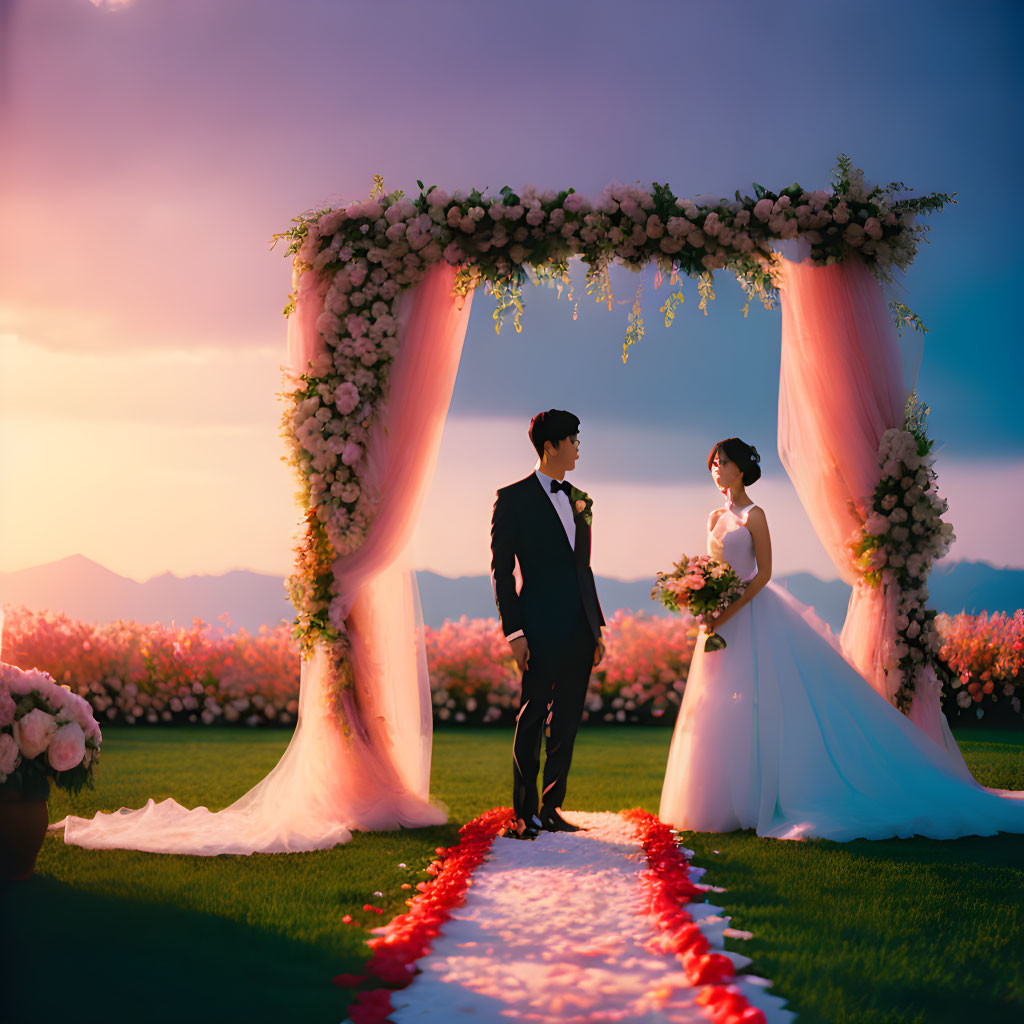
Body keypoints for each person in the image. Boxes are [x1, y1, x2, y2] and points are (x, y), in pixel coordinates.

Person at [659, 437, 1024, 841]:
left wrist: (729, 609)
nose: (716, 469)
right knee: (720, 702)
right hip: (720, 620)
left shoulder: (754, 516)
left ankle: (764, 797)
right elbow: (711, 568)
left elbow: (762, 574)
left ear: (740, 469)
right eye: (712, 462)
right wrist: (705, 601)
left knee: (767, 700)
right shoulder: (713, 517)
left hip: (751, 613)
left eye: (722, 462)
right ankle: (725, 801)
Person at [490, 410, 605, 839]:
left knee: (569, 719)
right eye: (572, 439)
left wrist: (595, 628)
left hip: (579, 626)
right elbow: (502, 572)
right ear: (550, 446)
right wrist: (514, 631)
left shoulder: (583, 500)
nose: (578, 446)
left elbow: (583, 569)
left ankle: (552, 808)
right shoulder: (512, 499)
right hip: (536, 625)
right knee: (533, 714)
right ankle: (524, 813)